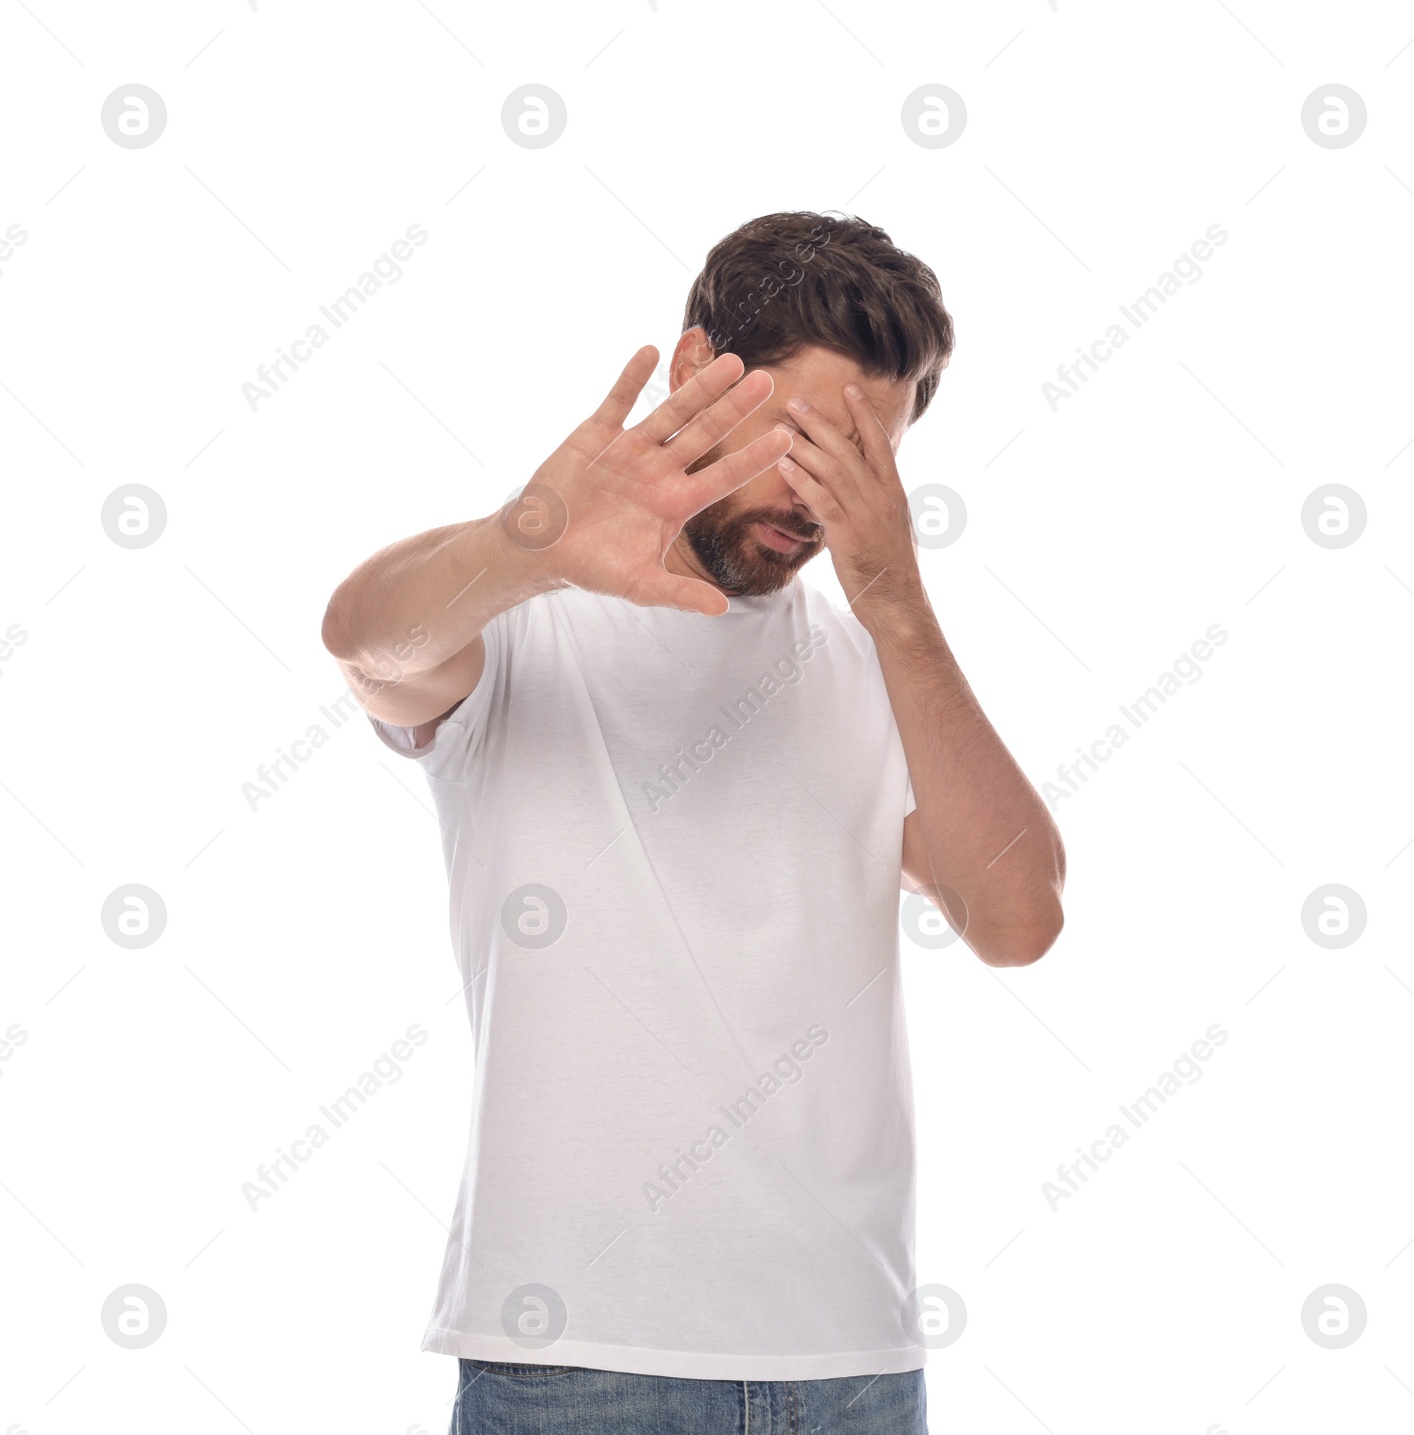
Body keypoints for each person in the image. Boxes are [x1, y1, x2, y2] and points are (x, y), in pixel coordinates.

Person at [321, 211, 1066, 1434]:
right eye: (799, 434)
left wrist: (899, 605)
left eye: (864, 458)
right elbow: (365, 640)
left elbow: (1019, 918)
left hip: (851, 1367)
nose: (820, 495)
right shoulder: (521, 623)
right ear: (691, 374)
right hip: (574, 1365)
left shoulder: (880, 666)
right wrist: (532, 538)